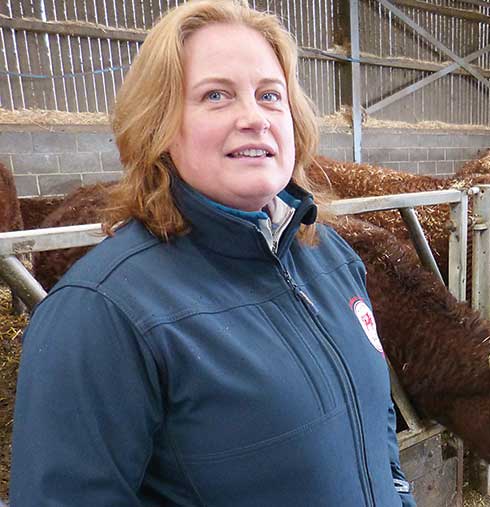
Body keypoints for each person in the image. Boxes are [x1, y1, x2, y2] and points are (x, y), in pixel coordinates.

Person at [10, 1, 415, 505]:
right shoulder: (101, 312)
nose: (254, 118)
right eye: (216, 95)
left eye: (270, 95)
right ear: (158, 124)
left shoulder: (332, 258)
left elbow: (374, 429)